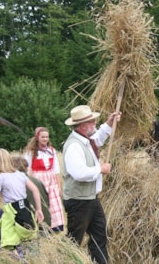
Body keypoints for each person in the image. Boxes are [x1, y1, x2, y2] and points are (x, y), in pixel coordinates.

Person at [62, 105, 121, 264]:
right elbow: (79, 173)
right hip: (78, 201)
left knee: (100, 235)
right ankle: (63, 260)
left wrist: (109, 123)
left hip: (91, 199)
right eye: (92, 121)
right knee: (74, 240)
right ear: (83, 126)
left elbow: (98, 138)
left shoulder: (86, 140)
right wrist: (100, 169)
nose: (95, 122)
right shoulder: (74, 145)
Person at [0, 148, 44, 252]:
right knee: (27, 235)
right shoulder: (20, 174)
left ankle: (6, 255)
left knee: (5, 236)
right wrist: (38, 209)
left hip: (11, 211)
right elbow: (35, 190)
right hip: (25, 208)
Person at [24, 126, 64, 232]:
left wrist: (59, 187)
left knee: (53, 203)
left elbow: (56, 171)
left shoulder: (51, 151)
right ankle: (41, 226)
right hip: (38, 179)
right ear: (37, 137)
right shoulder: (31, 152)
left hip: (51, 180)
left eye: (47, 137)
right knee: (41, 202)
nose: (45, 139)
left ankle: (55, 227)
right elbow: (27, 169)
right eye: (43, 137)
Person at [12, 155, 52, 230]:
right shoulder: (37, 181)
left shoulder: (14, 183)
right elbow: (47, 201)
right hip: (45, 223)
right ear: (26, 168)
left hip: (30, 227)